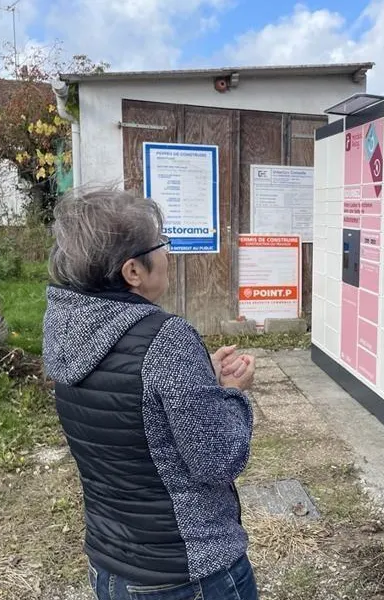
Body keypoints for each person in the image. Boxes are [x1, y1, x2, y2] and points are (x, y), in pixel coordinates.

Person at [43, 189, 259, 600]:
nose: (168, 255)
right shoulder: (166, 339)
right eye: (162, 245)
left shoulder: (66, 327)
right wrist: (231, 394)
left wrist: (200, 378)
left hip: (110, 565)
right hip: (186, 573)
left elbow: (129, 406)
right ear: (133, 272)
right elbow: (219, 459)